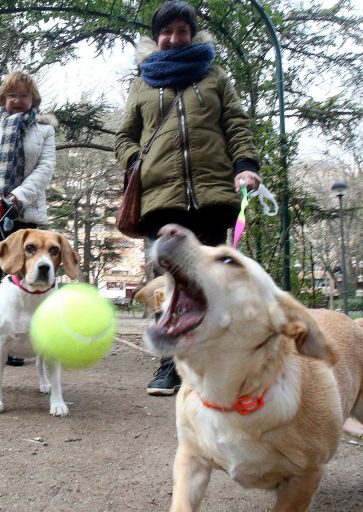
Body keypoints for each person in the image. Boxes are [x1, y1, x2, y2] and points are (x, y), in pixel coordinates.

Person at [114, 0, 261, 396]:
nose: (175, 38)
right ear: (157, 37)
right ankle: (170, 365)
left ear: (192, 35)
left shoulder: (214, 77)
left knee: (211, 281)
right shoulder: (142, 83)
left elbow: (235, 124)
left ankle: (211, 363)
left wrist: (245, 165)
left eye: (182, 31)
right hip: (160, 199)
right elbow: (124, 137)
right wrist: (136, 164)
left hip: (212, 195)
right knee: (170, 283)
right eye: (167, 31)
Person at [0, 71, 58, 367]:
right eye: (11, 95)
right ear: (2, 98)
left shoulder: (44, 130)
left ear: (34, 99)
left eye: (24, 95)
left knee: (21, 279)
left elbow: (45, 168)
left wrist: (17, 197)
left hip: (26, 215)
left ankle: (17, 346)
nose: (18, 101)